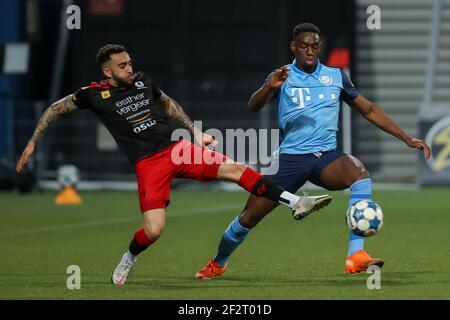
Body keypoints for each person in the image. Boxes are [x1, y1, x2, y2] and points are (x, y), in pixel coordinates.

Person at [15, 44, 332, 285]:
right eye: (122, 65)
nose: (130, 68)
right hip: (148, 164)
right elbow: (56, 108)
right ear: (107, 72)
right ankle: (130, 256)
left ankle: (296, 201)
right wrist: (32, 142)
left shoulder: (141, 81)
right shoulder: (93, 95)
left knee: (236, 169)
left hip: (175, 149)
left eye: (129, 62)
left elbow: (167, 103)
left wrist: (195, 132)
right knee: (154, 230)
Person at [195, 23, 431, 279]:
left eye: (315, 46)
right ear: (293, 47)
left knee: (359, 173)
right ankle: (218, 263)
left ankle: (356, 256)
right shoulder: (282, 75)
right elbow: (254, 106)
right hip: (289, 160)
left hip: (324, 158)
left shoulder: (336, 76)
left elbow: (369, 109)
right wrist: (269, 88)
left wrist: (405, 138)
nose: (310, 51)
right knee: (249, 217)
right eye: (304, 46)